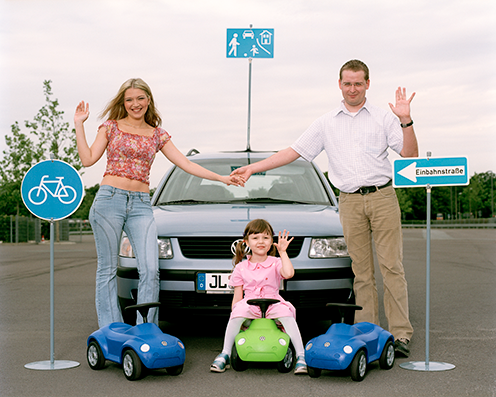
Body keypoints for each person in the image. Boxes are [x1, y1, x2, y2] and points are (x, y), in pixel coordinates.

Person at [231, 60, 418, 357]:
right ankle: (368, 331)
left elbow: (409, 154)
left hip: (382, 197)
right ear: (339, 84)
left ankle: (400, 334)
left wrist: (406, 120)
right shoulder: (326, 122)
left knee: (391, 267)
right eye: (347, 83)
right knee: (361, 272)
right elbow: (292, 152)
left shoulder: (384, 118)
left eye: (358, 83)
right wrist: (254, 168)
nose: (353, 88)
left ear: (367, 84)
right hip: (349, 200)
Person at [74, 78, 242, 328]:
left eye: (140, 98)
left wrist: (222, 178)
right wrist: (79, 125)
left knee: (151, 270)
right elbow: (87, 160)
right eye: (129, 99)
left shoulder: (157, 134)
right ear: (123, 102)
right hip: (109, 200)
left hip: (142, 205)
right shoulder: (110, 127)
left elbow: (186, 164)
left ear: (148, 100)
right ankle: (110, 328)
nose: (135, 104)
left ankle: (146, 328)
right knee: (107, 270)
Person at [210, 219, 307, 374]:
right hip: (249, 304)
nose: (261, 242)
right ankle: (225, 353)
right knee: (236, 314)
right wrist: (236, 315)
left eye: (265, 237)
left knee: (286, 314)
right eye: (255, 238)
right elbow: (237, 297)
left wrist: (283, 252)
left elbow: (288, 273)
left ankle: (301, 356)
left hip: (273, 302)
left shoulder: (275, 262)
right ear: (246, 241)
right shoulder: (241, 268)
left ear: (271, 242)